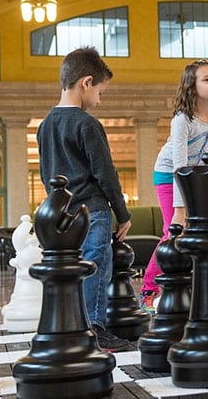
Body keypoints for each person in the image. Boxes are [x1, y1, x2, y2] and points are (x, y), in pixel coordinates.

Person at [37, 46, 132, 352]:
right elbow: (106, 174)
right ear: (86, 83)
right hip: (92, 211)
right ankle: (93, 329)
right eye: (100, 92)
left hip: (59, 216)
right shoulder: (87, 124)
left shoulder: (45, 125)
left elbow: (45, 173)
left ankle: (71, 326)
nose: (99, 100)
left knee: (70, 272)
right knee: (95, 268)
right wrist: (123, 213)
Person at [139, 59, 208, 311]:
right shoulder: (182, 119)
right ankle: (149, 289)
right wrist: (180, 207)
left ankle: (189, 287)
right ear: (192, 86)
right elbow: (179, 165)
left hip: (197, 177)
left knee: (197, 233)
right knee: (173, 231)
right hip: (169, 175)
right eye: (207, 80)